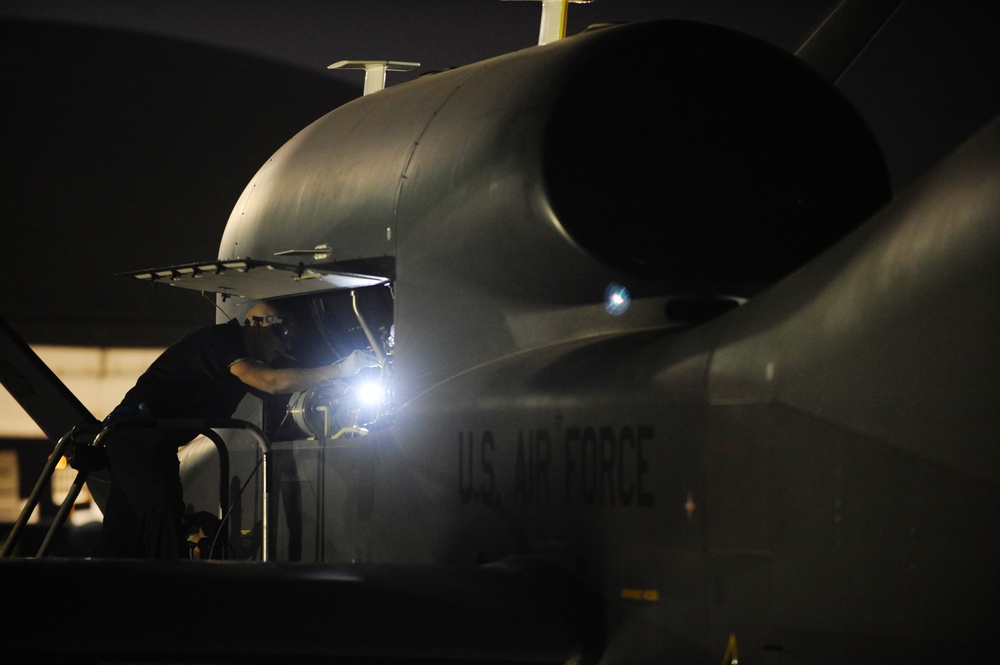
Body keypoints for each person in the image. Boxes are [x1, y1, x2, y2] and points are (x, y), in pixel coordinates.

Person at [91, 300, 378, 559]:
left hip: (143, 439)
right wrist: (339, 369)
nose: (287, 346)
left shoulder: (240, 361)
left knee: (124, 529)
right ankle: (168, 592)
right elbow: (271, 382)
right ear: (256, 324)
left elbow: (282, 382)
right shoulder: (221, 341)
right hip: (139, 435)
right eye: (284, 333)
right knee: (161, 519)